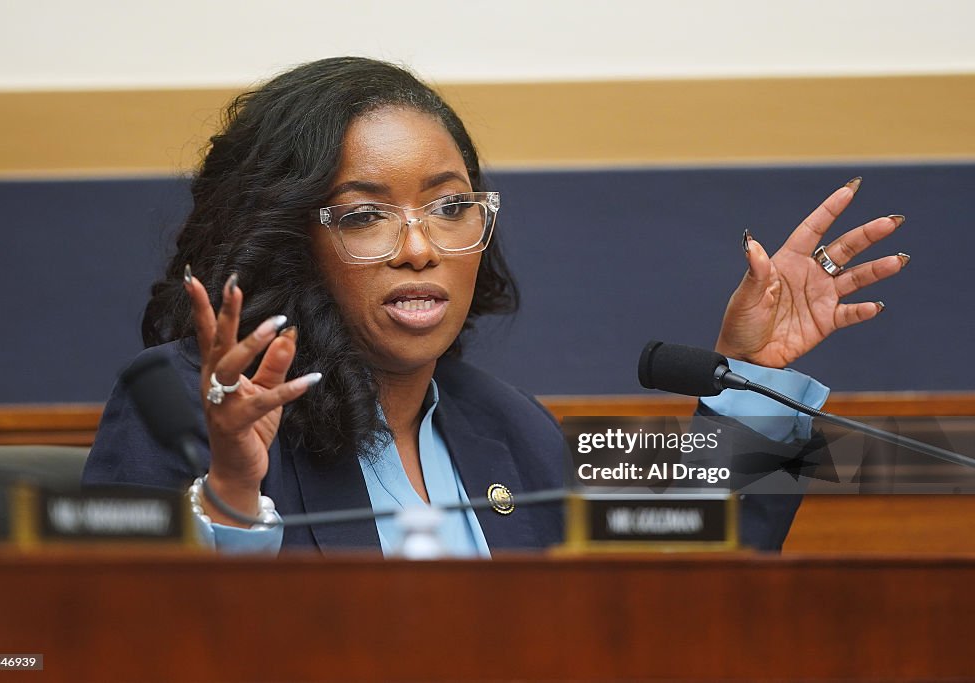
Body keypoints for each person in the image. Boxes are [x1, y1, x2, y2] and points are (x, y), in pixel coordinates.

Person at [82, 56, 909, 556]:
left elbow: (673, 567)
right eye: (367, 215)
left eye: (449, 206)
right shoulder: (183, 406)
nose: (420, 248)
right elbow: (120, 637)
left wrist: (754, 377)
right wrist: (232, 487)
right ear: (291, 239)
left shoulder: (510, 426)